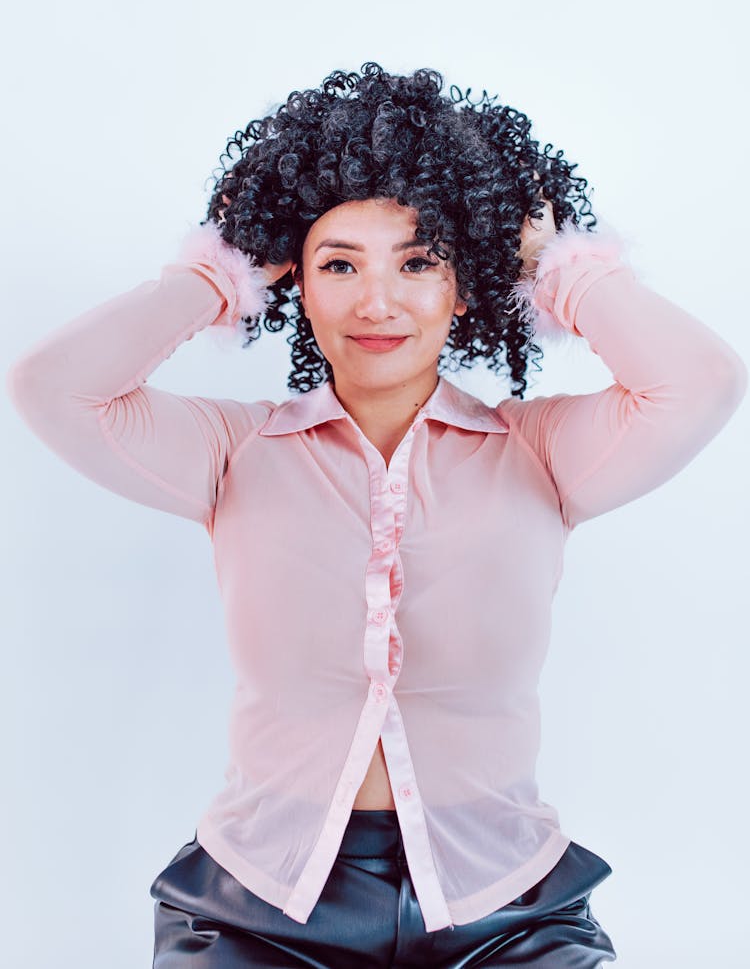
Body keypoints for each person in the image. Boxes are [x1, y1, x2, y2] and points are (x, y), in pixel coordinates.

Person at [6, 61, 746, 968]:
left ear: (467, 285)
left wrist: (557, 268)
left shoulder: (543, 454)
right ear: (298, 285)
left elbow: (701, 382)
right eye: (339, 263)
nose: (377, 301)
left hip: (504, 902)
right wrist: (216, 275)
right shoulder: (232, 452)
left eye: (421, 262)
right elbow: (52, 387)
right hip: (259, 902)